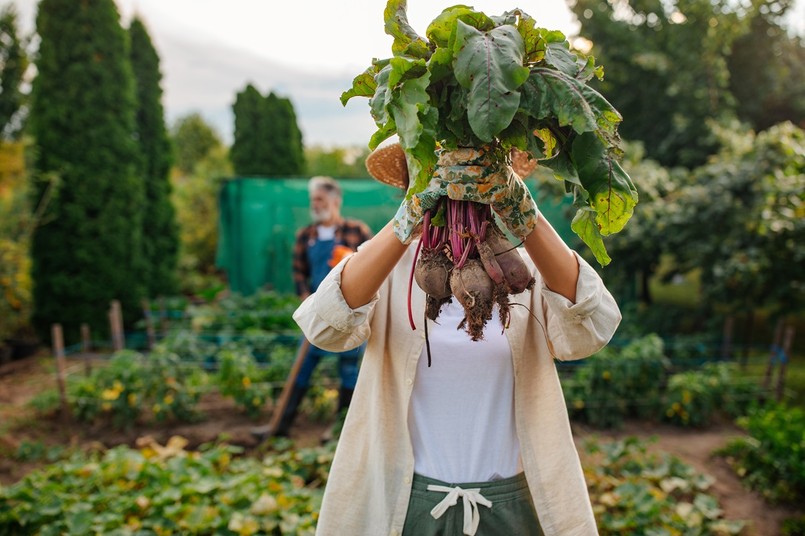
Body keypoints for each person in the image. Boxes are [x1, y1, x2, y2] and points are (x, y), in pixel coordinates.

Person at [293, 144, 621, 535]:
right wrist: (404, 224)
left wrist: (526, 216)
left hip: (513, 504)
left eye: (478, 172)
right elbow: (323, 327)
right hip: (406, 504)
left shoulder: (526, 267)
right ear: (413, 182)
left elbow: (593, 327)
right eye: (438, 171)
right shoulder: (391, 266)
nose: (458, 187)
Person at [274, 176, 373, 438]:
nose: (315, 204)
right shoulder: (305, 236)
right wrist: (308, 300)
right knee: (303, 364)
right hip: (317, 313)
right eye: (312, 200)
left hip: (348, 314)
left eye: (319, 199)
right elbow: (299, 274)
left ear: (335, 201)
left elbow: (373, 268)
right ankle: (281, 426)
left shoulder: (357, 231)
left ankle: (340, 430)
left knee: (349, 368)